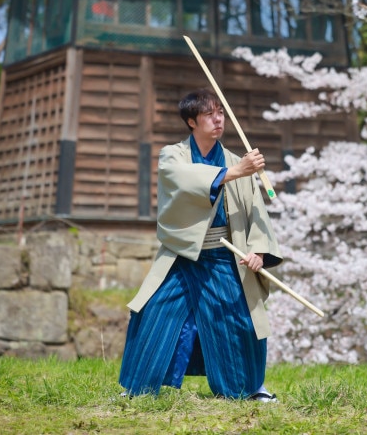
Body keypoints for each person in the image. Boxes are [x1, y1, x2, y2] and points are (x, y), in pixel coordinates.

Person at [118, 88, 282, 401]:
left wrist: (258, 251)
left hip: (224, 256)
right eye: (209, 113)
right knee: (152, 311)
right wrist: (234, 172)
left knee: (239, 317)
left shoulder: (237, 160)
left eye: (220, 112)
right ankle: (138, 389)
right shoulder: (173, 155)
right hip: (182, 256)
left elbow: (256, 210)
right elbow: (181, 178)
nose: (218, 118)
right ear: (192, 121)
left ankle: (249, 389)